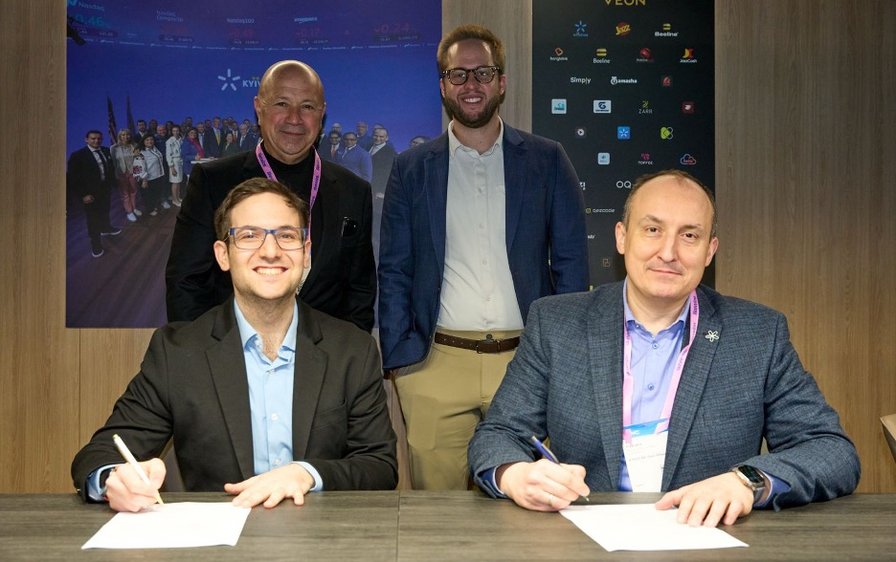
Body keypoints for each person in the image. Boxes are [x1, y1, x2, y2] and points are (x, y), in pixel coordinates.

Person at [468, 169, 860, 525]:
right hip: (584, 540)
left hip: (709, 541)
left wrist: (747, 482)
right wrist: (515, 475)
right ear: (622, 237)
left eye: (689, 236)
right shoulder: (557, 324)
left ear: (710, 250)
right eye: (653, 229)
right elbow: (498, 434)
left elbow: (831, 450)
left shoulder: (757, 334)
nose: (669, 253)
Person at [71, 178, 397, 512]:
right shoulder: (178, 353)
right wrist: (114, 479)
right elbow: (98, 456)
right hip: (218, 536)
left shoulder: (352, 350)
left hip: (323, 533)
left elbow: (380, 466)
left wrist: (307, 474)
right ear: (223, 255)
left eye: (286, 236)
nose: (270, 251)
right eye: (249, 236)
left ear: (306, 253)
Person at [378, 24, 589, 490]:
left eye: (483, 73)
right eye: (458, 74)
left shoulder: (547, 160)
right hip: (434, 367)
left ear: (502, 82)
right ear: (442, 86)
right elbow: (394, 269)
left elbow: (571, 265)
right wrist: (401, 360)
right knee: (439, 514)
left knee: (527, 507)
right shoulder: (411, 169)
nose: (470, 84)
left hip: (526, 365)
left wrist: (564, 355)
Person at [166, 60, 376, 332]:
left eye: (307, 106)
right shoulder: (212, 182)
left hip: (325, 354)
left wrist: (346, 355)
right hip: (231, 352)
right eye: (281, 103)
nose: (294, 118)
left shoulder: (354, 191)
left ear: (322, 113)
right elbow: (186, 283)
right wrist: (205, 355)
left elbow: (360, 292)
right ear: (258, 107)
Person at [67, 130, 121, 258]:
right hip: (90, 194)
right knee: (93, 220)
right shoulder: (78, 155)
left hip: (105, 190)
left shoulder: (106, 150)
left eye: (99, 138)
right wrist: (83, 195)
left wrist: (114, 184)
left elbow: (110, 169)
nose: (96, 141)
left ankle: (106, 228)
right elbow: (73, 178)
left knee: (105, 211)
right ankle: (95, 244)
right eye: (93, 138)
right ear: (86, 139)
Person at [132, 134, 168, 217]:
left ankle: (154, 206)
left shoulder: (155, 148)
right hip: (148, 179)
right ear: (143, 141)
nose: (150, 141)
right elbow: (138, 167)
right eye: (147, 140)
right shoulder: (141, 152)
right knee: (148, 196)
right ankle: (150, 210)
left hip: (158, 176)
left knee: (156, 194)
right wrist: (144, 179)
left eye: (151, 139)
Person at [110, 128, 140, 222]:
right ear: (119, 136)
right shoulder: (114, 148)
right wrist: (115, 176)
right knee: (125, 194)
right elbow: (113, 163)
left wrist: (138, 173)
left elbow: (138, 160)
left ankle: (134, 208)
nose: (125, 136)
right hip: (121, 174)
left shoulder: (134, 145)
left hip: (133, 173)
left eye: (127, 134)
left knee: (134, 192)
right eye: (123, 135)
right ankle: (129, 212)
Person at [165, 125, 184, 207]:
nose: (176, 132)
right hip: (174, 162)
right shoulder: (169, 141)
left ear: (179, 131)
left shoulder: (181, 139)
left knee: (179, 181)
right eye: (174, 131)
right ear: (172, 132)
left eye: (177, 130)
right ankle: (174, 200)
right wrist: (171, 167)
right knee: (175, 182)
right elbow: (168, 155)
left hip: (180, 161)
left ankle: (178, 197)